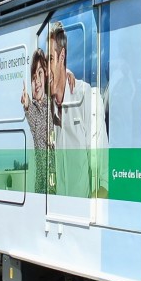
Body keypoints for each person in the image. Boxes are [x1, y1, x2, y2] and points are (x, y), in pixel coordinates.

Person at [47, 21, 108, 198]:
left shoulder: (87, 97)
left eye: (50, 59)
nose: (46, 70)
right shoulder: (46, 108)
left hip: (81, 210)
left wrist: (86, 209)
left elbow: (104, 181)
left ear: (62, 56)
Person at [21, 49, 52, 193]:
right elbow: (31, 113)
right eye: (33, 78)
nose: (37, 81)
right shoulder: (35, 109)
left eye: (39, 73)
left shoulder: (53, 105)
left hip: (55, 183)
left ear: (45, 74)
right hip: (40, 186)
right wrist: (27, 104)